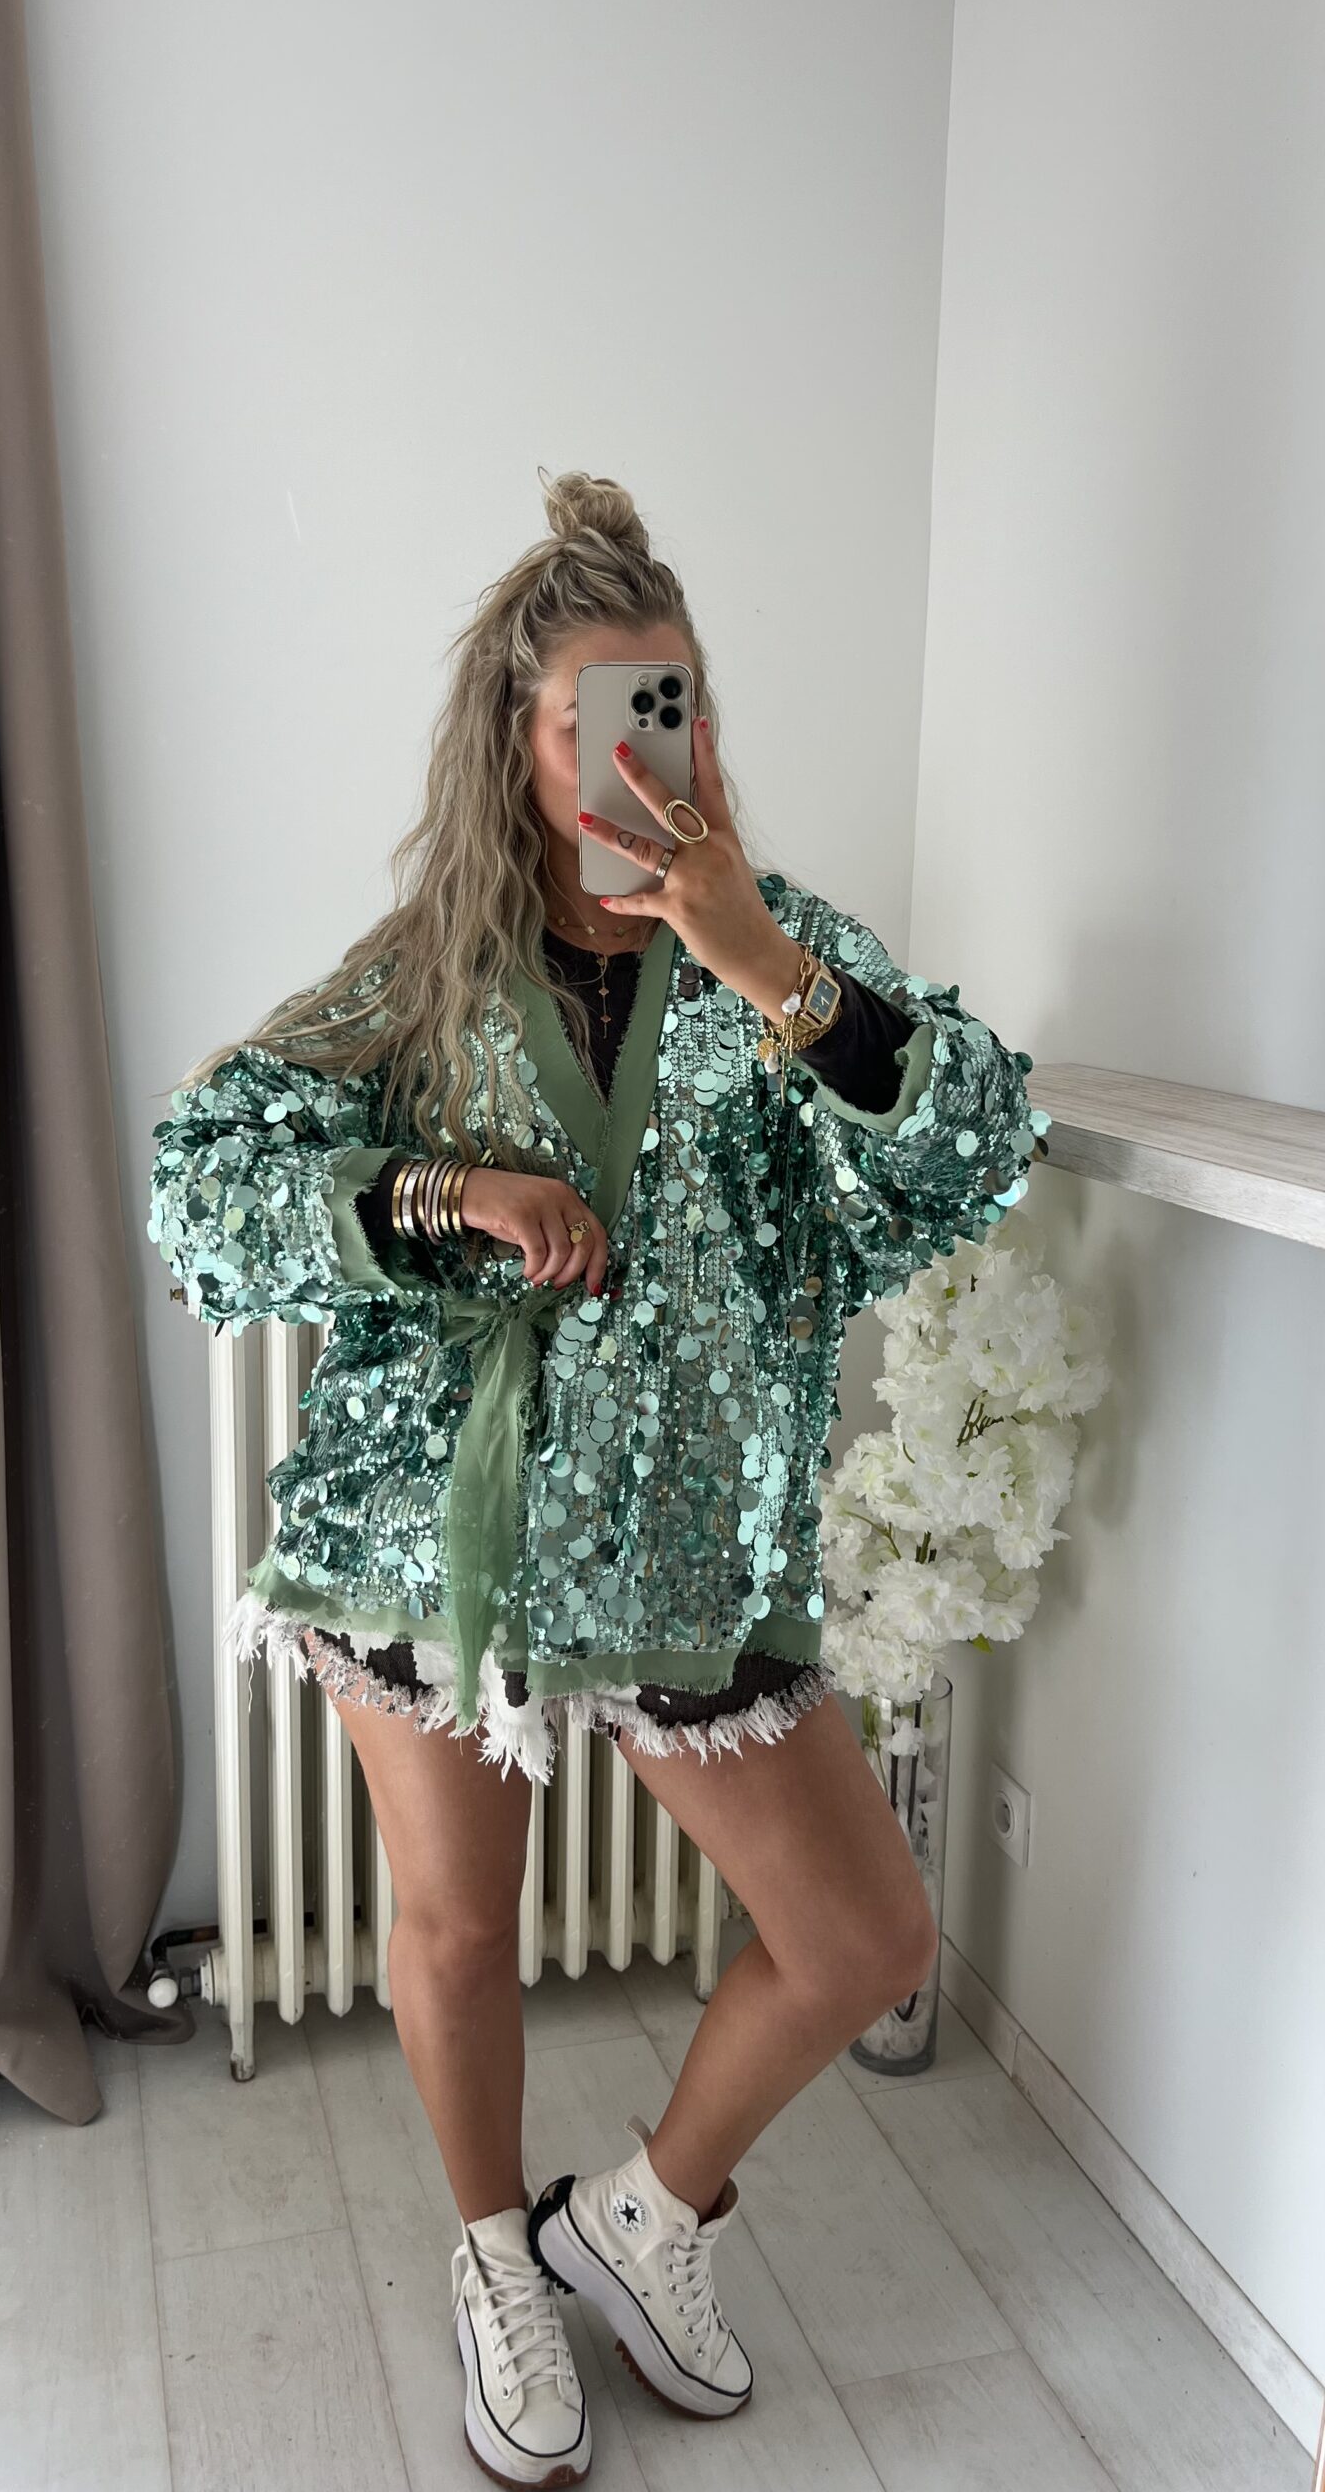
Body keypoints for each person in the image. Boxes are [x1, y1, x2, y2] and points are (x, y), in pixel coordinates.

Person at [148, 469, 1046, 2486]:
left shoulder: (778, 945)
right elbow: (200, 1175)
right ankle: (496, 2258)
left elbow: (978, 1140)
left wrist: (770, 967)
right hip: (435, 1528)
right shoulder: (425, 971)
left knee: (864, 1936)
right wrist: (443, 1192)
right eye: (612, 715)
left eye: (683, 705)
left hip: (685, 1547)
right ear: (522, 737)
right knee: (461, 1928)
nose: (662, 752)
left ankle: (638, 2219)